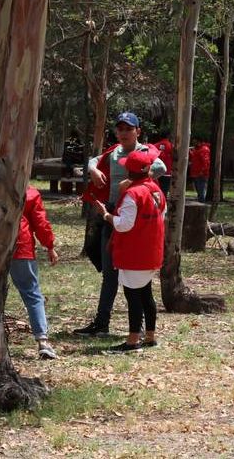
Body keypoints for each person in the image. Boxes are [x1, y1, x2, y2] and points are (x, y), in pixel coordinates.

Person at [74, 112, 166, 337]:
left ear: (138, 131)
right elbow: (93, 160)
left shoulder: (145, 152)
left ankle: (140, 327)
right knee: (109, 273)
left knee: (136, 274)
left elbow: (161, 167)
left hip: (136, 218)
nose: (124, 133)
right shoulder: (113, 152)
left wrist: (136, 178)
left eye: (129, 129)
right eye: (120, 129)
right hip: (113, 213)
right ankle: (101, 323)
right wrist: (93, 170)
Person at [92, 149, 166, 353]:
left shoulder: (132, 194)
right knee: (146, 294)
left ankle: (133, 340)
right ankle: (150, 336)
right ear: (148, 169)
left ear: (128, 170)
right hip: (152, 251)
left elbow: (124, 225)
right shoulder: (155, 190)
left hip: (135, 253)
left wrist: (106, 214)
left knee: (133, 296)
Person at [10, 185, 59, 359]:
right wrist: (50, 246)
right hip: (20, 247)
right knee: (32, 294)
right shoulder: (29, 192)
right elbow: (40, 222)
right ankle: (43, 341)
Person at [153, 132, 174, 196]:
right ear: (168, 136)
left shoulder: (155, 146)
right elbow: (175, 157)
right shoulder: (171, 146)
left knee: (156, 191)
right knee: (164, 192)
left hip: (156, 172)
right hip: (167, 172)